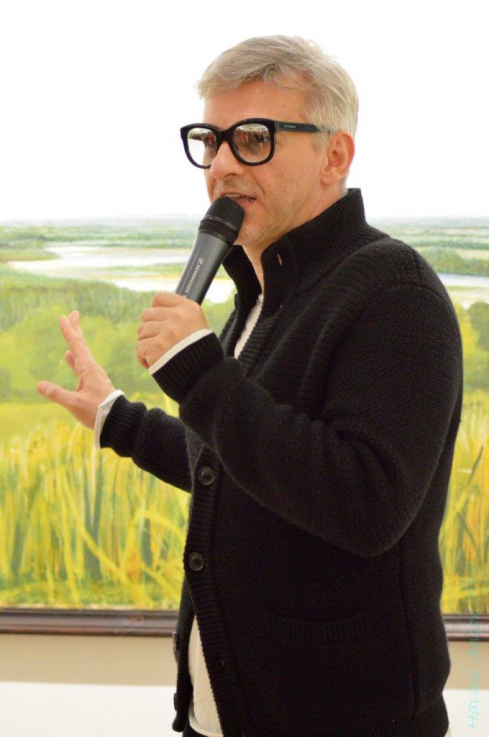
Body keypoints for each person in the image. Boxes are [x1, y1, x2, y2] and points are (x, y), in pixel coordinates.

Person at [37, 35, 460, 737]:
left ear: (335, 156)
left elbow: (365, 504)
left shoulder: (394, 292)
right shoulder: (261, 295)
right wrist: (116, 417)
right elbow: (240, 468)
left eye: (255, 139)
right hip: (223, 717)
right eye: (211, 140)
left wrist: (202, 373)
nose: (223, 164)